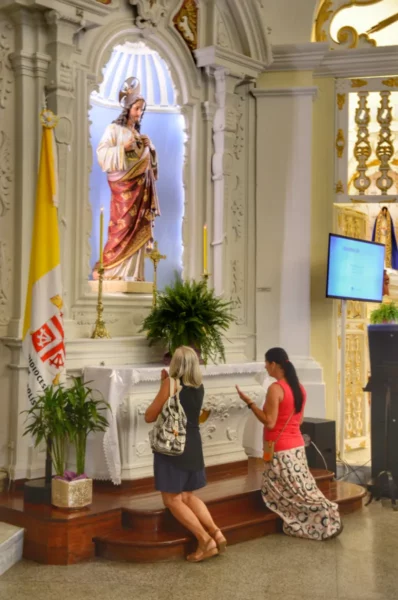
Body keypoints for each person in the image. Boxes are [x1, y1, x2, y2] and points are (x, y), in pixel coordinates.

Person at [236, 347, 342, 541]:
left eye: (267, 364)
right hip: (297, 446)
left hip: (280, 448)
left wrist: (250, 404)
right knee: (302, 487)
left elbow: (269, 421)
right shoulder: (299, 387)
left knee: (289, 492)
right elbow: (299, 421)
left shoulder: (275, 389)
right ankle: (325, 513)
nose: (266, 368)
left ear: (274, 364)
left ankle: (324, 512)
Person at [145, 346, 226, 562]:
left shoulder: (171, 384)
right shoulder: (199, 386)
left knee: (172, 499)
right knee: (188, 495)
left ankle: (205, 541)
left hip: (173, 445)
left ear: (175, 364)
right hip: (193, 443)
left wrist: (163, 385)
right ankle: (216, 532)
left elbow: (150, 415)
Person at [93, 76, 160, 281]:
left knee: (137, 225)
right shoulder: (114, 130)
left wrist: (151, 149)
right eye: (137, 108)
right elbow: (102, 155)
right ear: (128, 108)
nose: (139, 113)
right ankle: (112, 270)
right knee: (122, 227)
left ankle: (132, 274)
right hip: (123, 190)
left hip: (140, 191)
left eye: (142, 109)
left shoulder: (140, 135)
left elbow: (151, 170)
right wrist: (124, 148)